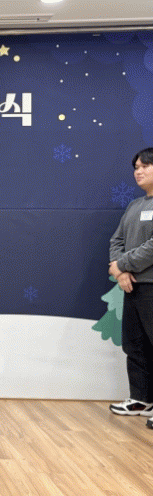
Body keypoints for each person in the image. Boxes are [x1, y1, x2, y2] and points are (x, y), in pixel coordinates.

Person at [108, 147, 153, 422]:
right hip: (133, 287)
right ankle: (141, 399)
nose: (139, 171)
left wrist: (123, 265)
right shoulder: (134, 206)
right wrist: (120, 272)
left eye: (145, 166)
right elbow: (117, 240)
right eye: (136, 167)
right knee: (134, 344)